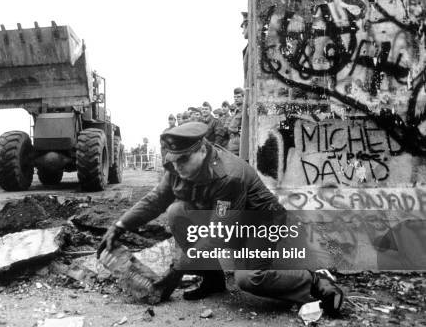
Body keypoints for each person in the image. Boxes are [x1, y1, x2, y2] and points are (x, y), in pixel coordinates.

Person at [98, 122, 344, 316]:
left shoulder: (229, 176)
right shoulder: (176, 168)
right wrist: (119, 226)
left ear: (203, 150)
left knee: (249, 279)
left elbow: (217, 234)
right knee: (176, 212)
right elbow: (155, 200)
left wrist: (176, 271)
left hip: (261, 224)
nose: (177, 167)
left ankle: (313, 280)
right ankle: (213, 279)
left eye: (184, 159)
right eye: (173, 159)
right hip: (227, 220)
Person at [227, 88, 244, 156]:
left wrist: (239, 130)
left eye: (238, 97)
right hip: (232, 142)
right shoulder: (237, 111)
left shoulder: (245, 110)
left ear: (244, 97)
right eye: (235, 97)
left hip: (239, 142)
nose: (236, 98)